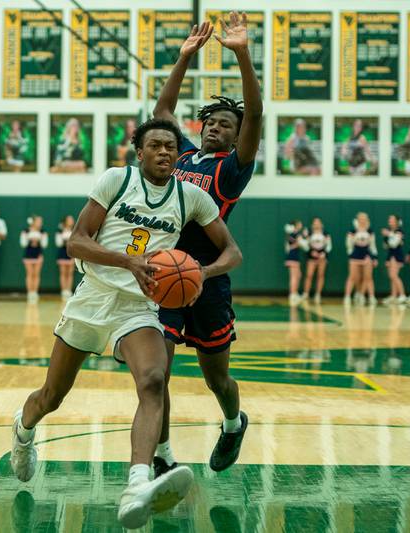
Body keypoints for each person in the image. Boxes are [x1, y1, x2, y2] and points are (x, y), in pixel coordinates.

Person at [8, 118, 243, 529]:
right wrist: (127, 261)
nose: (165, 152)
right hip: (93, 297)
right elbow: (77, 240)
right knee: (51, 396)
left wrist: (202, 273)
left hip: (138, 307)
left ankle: (138, 482)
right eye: (155, 145)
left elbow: (233, 253)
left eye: (171, 146)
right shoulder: (117, 180)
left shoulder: (191, 197)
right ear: (140, 151)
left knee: (154, 379)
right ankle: (23, 431)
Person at [152, 13, 263, 477]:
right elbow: (161, 116)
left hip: (207, 279)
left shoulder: (232, 169)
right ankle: (161, 455)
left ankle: (234, 424)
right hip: (164, 274)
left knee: (217, 378)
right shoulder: (180, 157)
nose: (216, 127)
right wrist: (182, 59)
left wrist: (241, 54)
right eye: (211, 122)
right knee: (156, 375)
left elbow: (255, 113)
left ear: (238, 136)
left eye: (225, 124)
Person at [344, 212, 378, 306]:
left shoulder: (370, 231)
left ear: (367, 220)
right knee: (353, 277)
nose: (363, 220)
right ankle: (347, 297)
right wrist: (350, 255)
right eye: (361, 219)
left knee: (368, 277)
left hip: (367, 256)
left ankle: (370, 297)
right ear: (357, 220)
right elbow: (349, 244)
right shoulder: (352, 231)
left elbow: (373, 246)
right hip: (355, 256)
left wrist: (374, 257)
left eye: (365, 219)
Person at [300, 217, 331, 304]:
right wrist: (311, 252)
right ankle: (306, 294)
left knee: (320, 275)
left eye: (318, 222)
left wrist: (324, 253)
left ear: (321, 224)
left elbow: (329, 245)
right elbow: (304, 244)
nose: (317, 224)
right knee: (309, 275)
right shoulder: (309, 232)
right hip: (311, 257)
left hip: (322, 257)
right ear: (313, 224)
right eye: (315, 223)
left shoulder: (325, 233)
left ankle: (318, 294)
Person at [20, 216, 48, 303]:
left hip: (38, 255)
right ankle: (30, 292)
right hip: (28, 255)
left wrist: (40, 239)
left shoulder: (42, 232)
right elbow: (23, 244)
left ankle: (35, 292)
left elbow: (44, 245)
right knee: (30, 273)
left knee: (36, 274)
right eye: (38, 221)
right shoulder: (26, 231)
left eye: (41, 222)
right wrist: (30, 239)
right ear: (33, 222)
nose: (40, 223)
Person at [381, 215, 407, 305]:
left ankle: (402, 295)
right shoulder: (390, 231)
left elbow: (395, 244)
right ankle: (393, 295)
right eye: (389, 219)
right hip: (390, 254)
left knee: (394, 275)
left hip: (397, 255)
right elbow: (385, 245)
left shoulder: (399, 231)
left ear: (396, 221)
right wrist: (388, 238)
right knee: (391, 276)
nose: (390, 221)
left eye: (392, 219)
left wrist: (389, 235)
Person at [284, 220, 305, 305]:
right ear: (296, 225)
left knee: (298, 275)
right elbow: (302, 244)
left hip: (295, 257)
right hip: (292, 257)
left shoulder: (294, 234)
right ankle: (292, 295)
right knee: (294, 277)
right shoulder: (295, 234)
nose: (301, 225)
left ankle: (295, 293)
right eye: (299, 224)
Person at [55, 215, 76, 299]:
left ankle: (69, 290)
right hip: (63, 253)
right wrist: (66, 241)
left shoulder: (74, 231)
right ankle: (63, 290)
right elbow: (58, 243)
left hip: (72, 253)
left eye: (72, 219)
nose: (71, 221)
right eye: (69, 220)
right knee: (63, 272)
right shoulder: (60, 231)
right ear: (65, 221)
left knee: (70, 273)